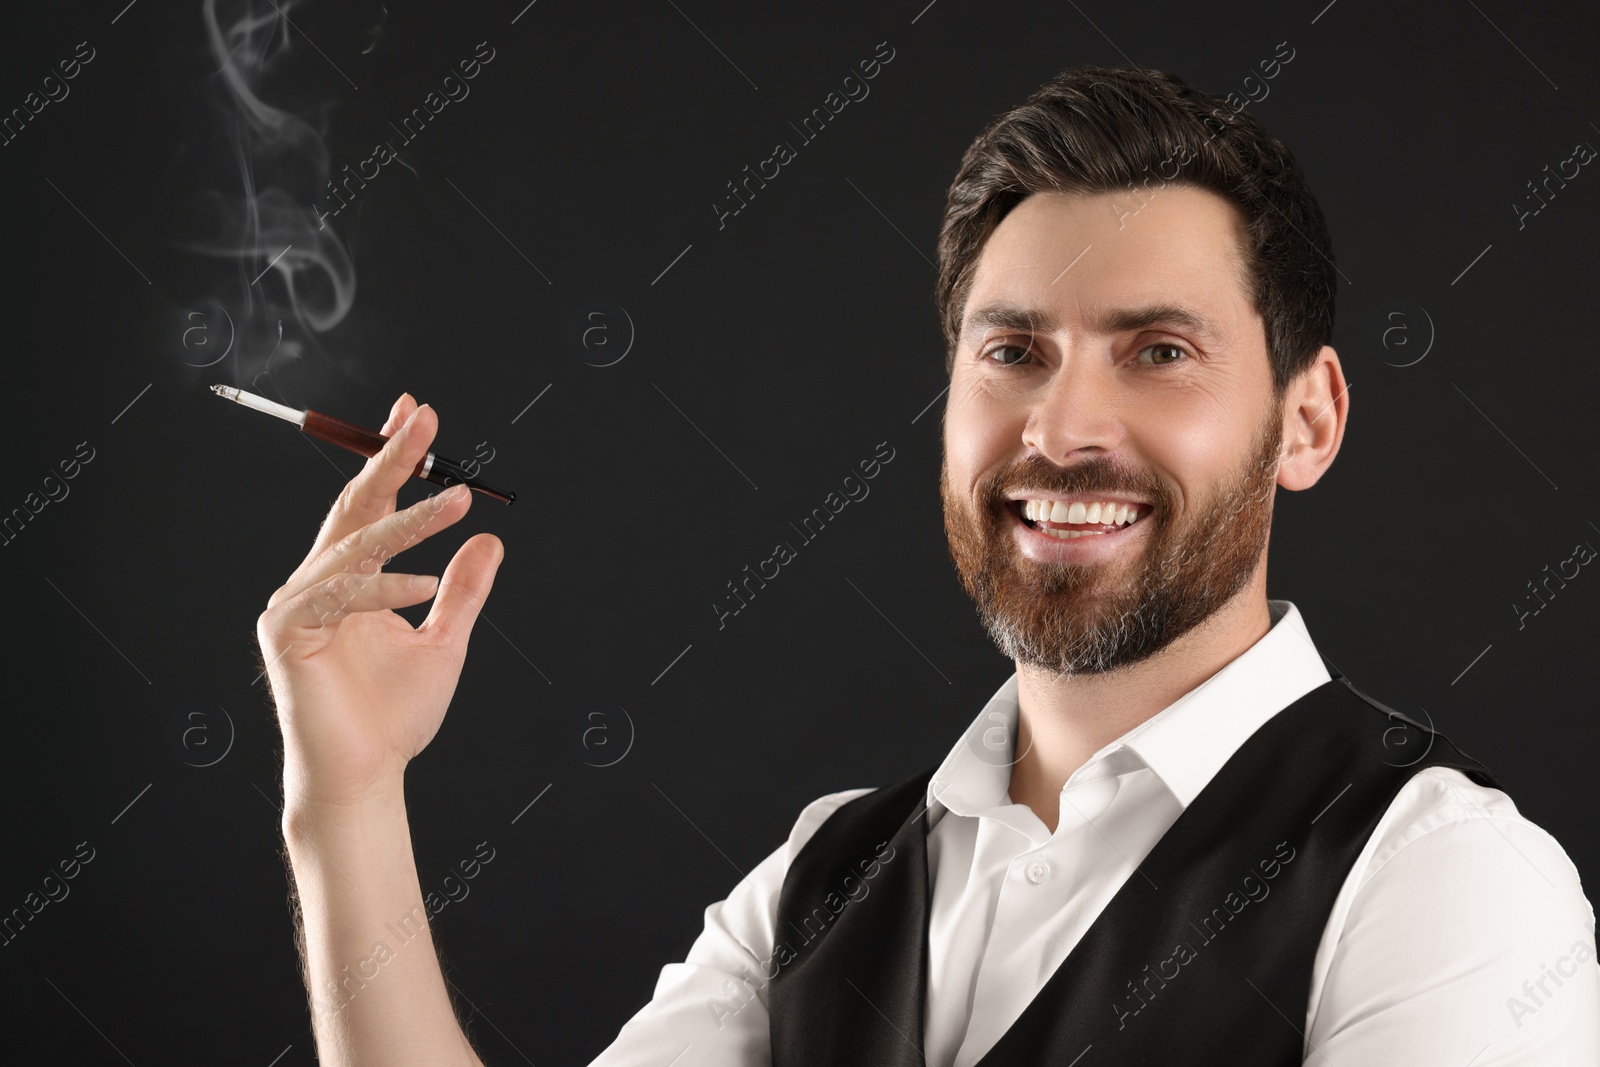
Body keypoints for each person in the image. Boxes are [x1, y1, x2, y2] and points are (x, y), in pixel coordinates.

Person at [256, 66, 1598, 1065]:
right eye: (1013, 351)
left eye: (1160, 351)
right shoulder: (819, 882)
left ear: (1306, 420)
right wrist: (350, 796)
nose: (1063, 429)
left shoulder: (1440, 878)